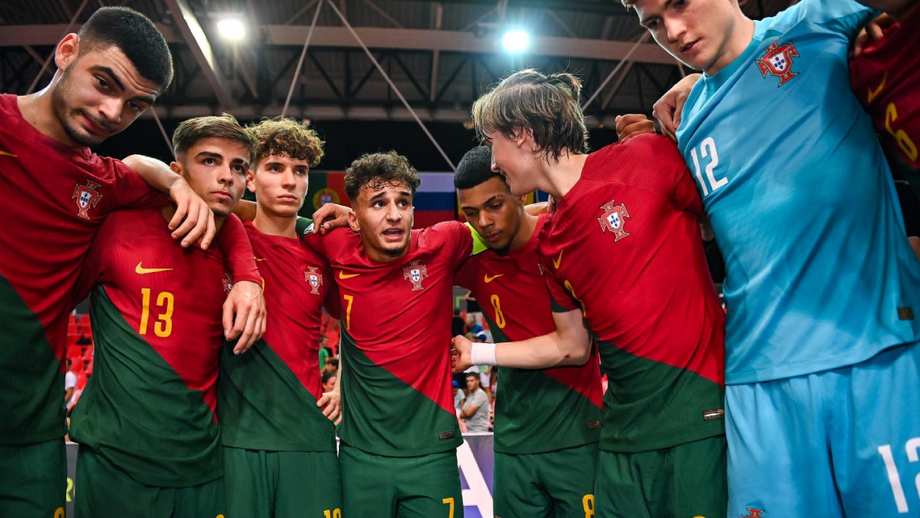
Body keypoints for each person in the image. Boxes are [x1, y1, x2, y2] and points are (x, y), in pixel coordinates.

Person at [627, 0, 920, 515]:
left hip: (878, 356)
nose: (671, 30)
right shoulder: (687, 122)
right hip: (758, 386)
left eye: (679, 4)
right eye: (652, 22)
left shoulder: (817, 22)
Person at [0, 8, 264, 517]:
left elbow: (231, 213)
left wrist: (248, 273)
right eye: (104, 82)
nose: (111, 111)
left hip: (33, 435)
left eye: (135, 105)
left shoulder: (103, 185)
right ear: (67, 50)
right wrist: (170, 180)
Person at [454, 68, 727, 518]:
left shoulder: (644, 158)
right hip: (619, 436)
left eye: (493, 143)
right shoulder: (551, 239)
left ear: (522, 135)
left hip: (694, 420)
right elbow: (570, 343)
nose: (494, 160)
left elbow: (728, 218)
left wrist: (701, 89)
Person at [68, 114, 257, 517]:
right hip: (116, 463)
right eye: (210, 161)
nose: (226, 176)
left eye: (238, 167)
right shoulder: (116, 228)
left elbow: (281, 220)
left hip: (203, 464)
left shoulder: (236, 249)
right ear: (177, 171)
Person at [303, 151, 478, 518]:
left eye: (403, 202)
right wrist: (181, 188)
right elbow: (269, 219)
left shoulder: (443, 242)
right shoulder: (334, 244)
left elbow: (507, 221)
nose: (394, 214)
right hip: (360, 458)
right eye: (378, 203)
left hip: (433, 455)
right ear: (354, 217)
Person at [453, 145, 604, 518]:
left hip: (579, 434)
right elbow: (399, 250)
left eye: (494, 205)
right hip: (513, 442)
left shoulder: (563, 239)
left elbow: (575, 347)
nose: (484, 222)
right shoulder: (473, 256)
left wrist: (478, 353)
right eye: (471, 213)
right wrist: (351, 216)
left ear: (519, 192)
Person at [218, 116, 343, 518]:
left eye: (300, 171)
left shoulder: (323, 251)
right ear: (250, 178)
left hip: (309, 432)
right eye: (275, 168)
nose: (290, 181)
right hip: (235, 436)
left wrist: (344, 384)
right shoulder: (222, 232)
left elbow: (365, 322)